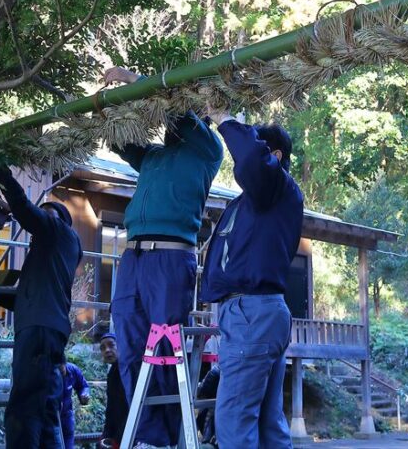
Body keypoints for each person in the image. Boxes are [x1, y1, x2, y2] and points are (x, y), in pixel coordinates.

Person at [103, 66, 223, 449]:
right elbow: (120, 142)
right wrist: (107, 107)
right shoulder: (153, 156)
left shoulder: (208, 149)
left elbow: (176, 113)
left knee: (165, 348)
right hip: (134, 256)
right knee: (130, 340)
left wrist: (132, 78)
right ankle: (147, 433)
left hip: (171, 258)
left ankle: (166, 436)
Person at [201, 107, 304, 448]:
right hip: (257, 313)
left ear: (274, 156)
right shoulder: (258, 201)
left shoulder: (276, 186)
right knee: (265, 421)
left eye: (256, 146)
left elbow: (250, 162)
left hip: (252, 313)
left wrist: (223, 118)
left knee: (235, 419)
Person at [0, 165, 83, 449]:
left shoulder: (56, 232)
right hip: (48, 330)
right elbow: (25, 300)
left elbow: (22, 207)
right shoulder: (51, 257)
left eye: (45, 213)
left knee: (22, 408)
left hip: (39, 332)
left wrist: (2, 173)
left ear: (57, 220)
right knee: (44, 412)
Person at [98, 333, 128, 449]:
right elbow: (111, 408)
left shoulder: (128, 371)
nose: (107, 350)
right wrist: (106, 434)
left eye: (111, 345)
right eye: (103, 348)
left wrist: (119, 439)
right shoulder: (112, 374)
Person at [59, 362, 90, 449]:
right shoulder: (45, 372)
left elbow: (83, 386)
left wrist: (84, 394)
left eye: (62, 370)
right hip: (50, 418)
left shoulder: (73, 369)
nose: (61, 372)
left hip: (67, 416)